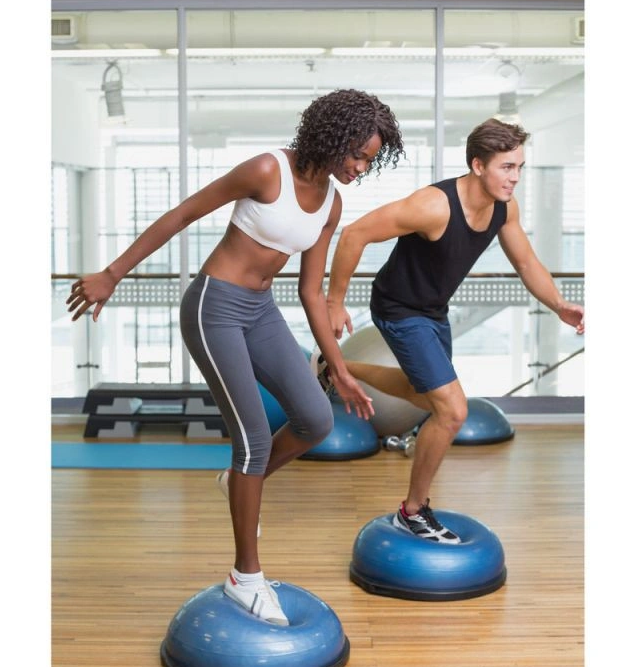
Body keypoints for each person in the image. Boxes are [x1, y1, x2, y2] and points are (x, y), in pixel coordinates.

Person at [66, 89, 405, 625]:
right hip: (214, 307)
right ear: (333, 136)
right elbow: (183, 214)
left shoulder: (332, 204)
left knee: (315, 420)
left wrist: (338, 368)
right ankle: (245, 578)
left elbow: (311, 291)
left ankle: (242, 480)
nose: (361, 168)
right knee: (252, 441)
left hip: (261, 311)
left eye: (369, 160)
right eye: (357, 155)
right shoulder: (268, 170)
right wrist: (112, 274)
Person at [317, 118, 584, 544]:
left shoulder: (504, 208)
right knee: (452, 411)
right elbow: (355, 234)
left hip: (433, 311)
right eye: (506, 167)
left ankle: (339, 368)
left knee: (423, 397)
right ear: (478, 165)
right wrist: (334, 302)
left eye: (519, 167)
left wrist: (559, 305)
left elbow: (526, 262)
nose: (515, 177)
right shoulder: (433, 206)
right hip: (399, 308)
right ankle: (412, 511)